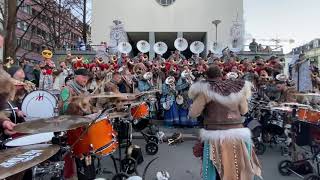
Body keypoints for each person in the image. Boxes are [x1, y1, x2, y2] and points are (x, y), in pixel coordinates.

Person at [189, 65, 261, 180]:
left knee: (216, 170)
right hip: (238, 133)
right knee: (238, 169)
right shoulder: (236, 88)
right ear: (221, 75)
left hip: (215, 135)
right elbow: (244, 111)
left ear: (207, 76)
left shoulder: (205, 90)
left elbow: (194, 113)